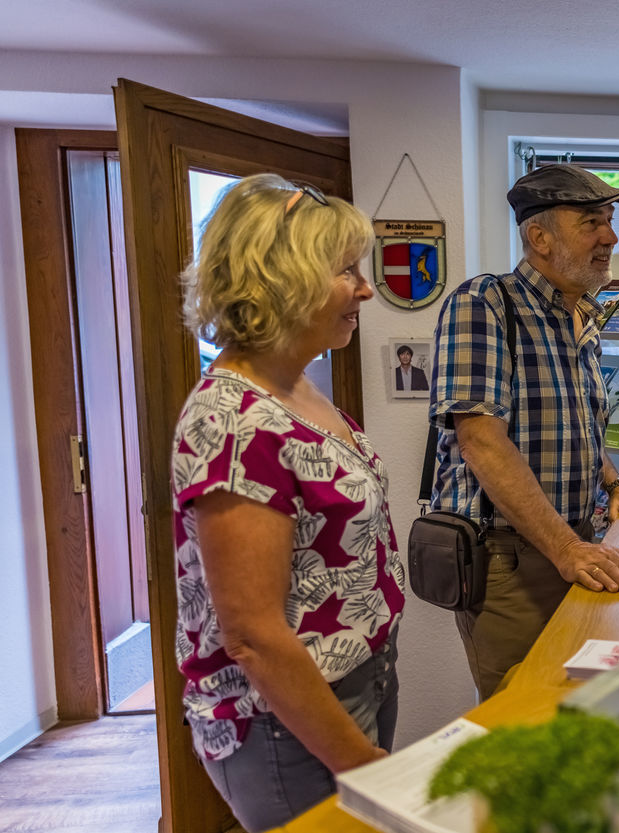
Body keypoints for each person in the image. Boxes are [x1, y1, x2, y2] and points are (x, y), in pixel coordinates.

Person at [170, 174, 404, 832]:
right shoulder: (233, 419)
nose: (365, 289)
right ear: (283, 279)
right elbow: (253, 636)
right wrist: (359, 761)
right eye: (345, 271)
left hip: (353, 681)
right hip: (285, 723)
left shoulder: (295, 385)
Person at [429, 164, 619, 699]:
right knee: (525, 712)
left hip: (580, 544)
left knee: (585, 706)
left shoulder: (582, 314)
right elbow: (481, 442)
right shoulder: (484, 304)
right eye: (591, 223)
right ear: (539, 238)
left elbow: (575, 423)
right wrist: (565, 547)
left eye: (609, 221)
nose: (610, 237)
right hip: (512, 561)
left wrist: (614, 483)